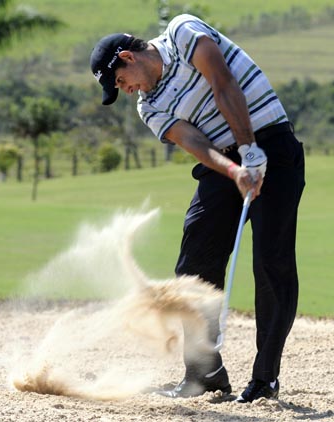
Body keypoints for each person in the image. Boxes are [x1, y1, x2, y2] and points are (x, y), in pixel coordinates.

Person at [90, 14, 305, 403]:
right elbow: (195, 143)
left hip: (271, 143)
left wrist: (251, 149)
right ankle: (205, 371)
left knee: (271, 263)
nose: (125, 90)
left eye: (121, 81)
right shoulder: (149, 106)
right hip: (224, 164)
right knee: (193, 265)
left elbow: (223, 84)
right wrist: (236, 170)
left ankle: (264, 379)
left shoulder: (183, 32)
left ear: (128, 57)